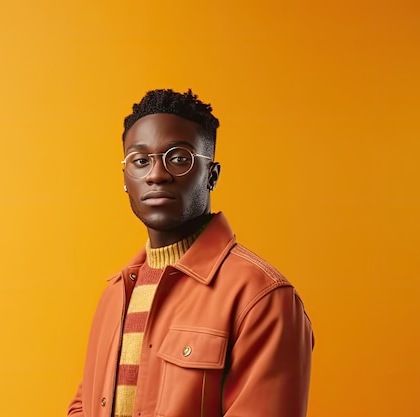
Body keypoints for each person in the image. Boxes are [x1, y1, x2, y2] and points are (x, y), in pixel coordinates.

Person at [68, 89, 313, 417]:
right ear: (126, 178)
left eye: (179, 158)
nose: (156, 174)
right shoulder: (115, 294)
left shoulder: (261, 296)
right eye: (141, 161)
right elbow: (83, 406)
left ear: (211, 175)